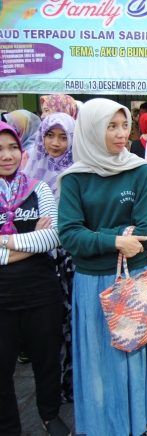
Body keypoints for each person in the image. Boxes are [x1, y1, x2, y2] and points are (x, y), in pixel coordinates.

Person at [57, 98, 147, 436]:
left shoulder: (140, 170)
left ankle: (139, 423)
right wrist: (116, 239)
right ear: (91, 130)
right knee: (98, 359)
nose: (122, 134)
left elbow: (146, 232)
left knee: (135, 354)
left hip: (134, 279)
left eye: (124, 126)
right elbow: (69, 235)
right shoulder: (74, 178)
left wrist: (96, 236)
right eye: (111, 126)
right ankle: (103, 426)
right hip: (92, 283)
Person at [0, 122, 72, 436]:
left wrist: (6, 242)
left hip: (42, 292)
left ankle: (49, 414)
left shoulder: (37, 188)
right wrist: (32, 241)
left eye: (12, 147)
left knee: (46, 359)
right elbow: (40, 240)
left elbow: (53, 237)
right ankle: (8, 426)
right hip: (2, 298)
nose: (7, 156)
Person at [24, 113, 76, 403]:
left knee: (71, 322)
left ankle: (72, 384)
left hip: (70, 260)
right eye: (49, 135)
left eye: (63, 136)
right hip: (39, 261)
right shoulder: (30, 172)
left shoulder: (78, 171)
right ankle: (51, 390)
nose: (55, 143)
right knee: (47, 326)